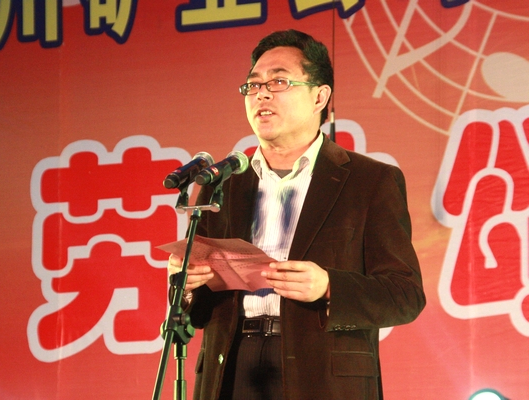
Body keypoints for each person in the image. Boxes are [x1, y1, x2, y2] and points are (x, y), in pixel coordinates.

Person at [168, 29, 426, 400]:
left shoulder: (369, 181)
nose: (262, 94)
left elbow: (405, 295)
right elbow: (199, 313)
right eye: (253, 85)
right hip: (232, 371)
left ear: (320, 96)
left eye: (279, 82)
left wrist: (329, 286)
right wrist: (188, 286)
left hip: (322, 376)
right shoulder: (222, 182)